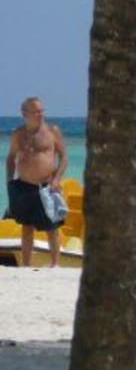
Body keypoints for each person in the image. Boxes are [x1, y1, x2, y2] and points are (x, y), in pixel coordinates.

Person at [5, 97, 69, 266]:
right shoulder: (18, 134)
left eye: (41, 111)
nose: (40, 114)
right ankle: (26, 265)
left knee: (52, 227)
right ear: (25, 114)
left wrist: (57, 179)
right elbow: (11, 158)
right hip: (24, 186)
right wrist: (9, 181)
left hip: (47, 187)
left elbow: (64, 157)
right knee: (26, 227)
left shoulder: (52, 131)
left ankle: (55, 264)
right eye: (36, 112)